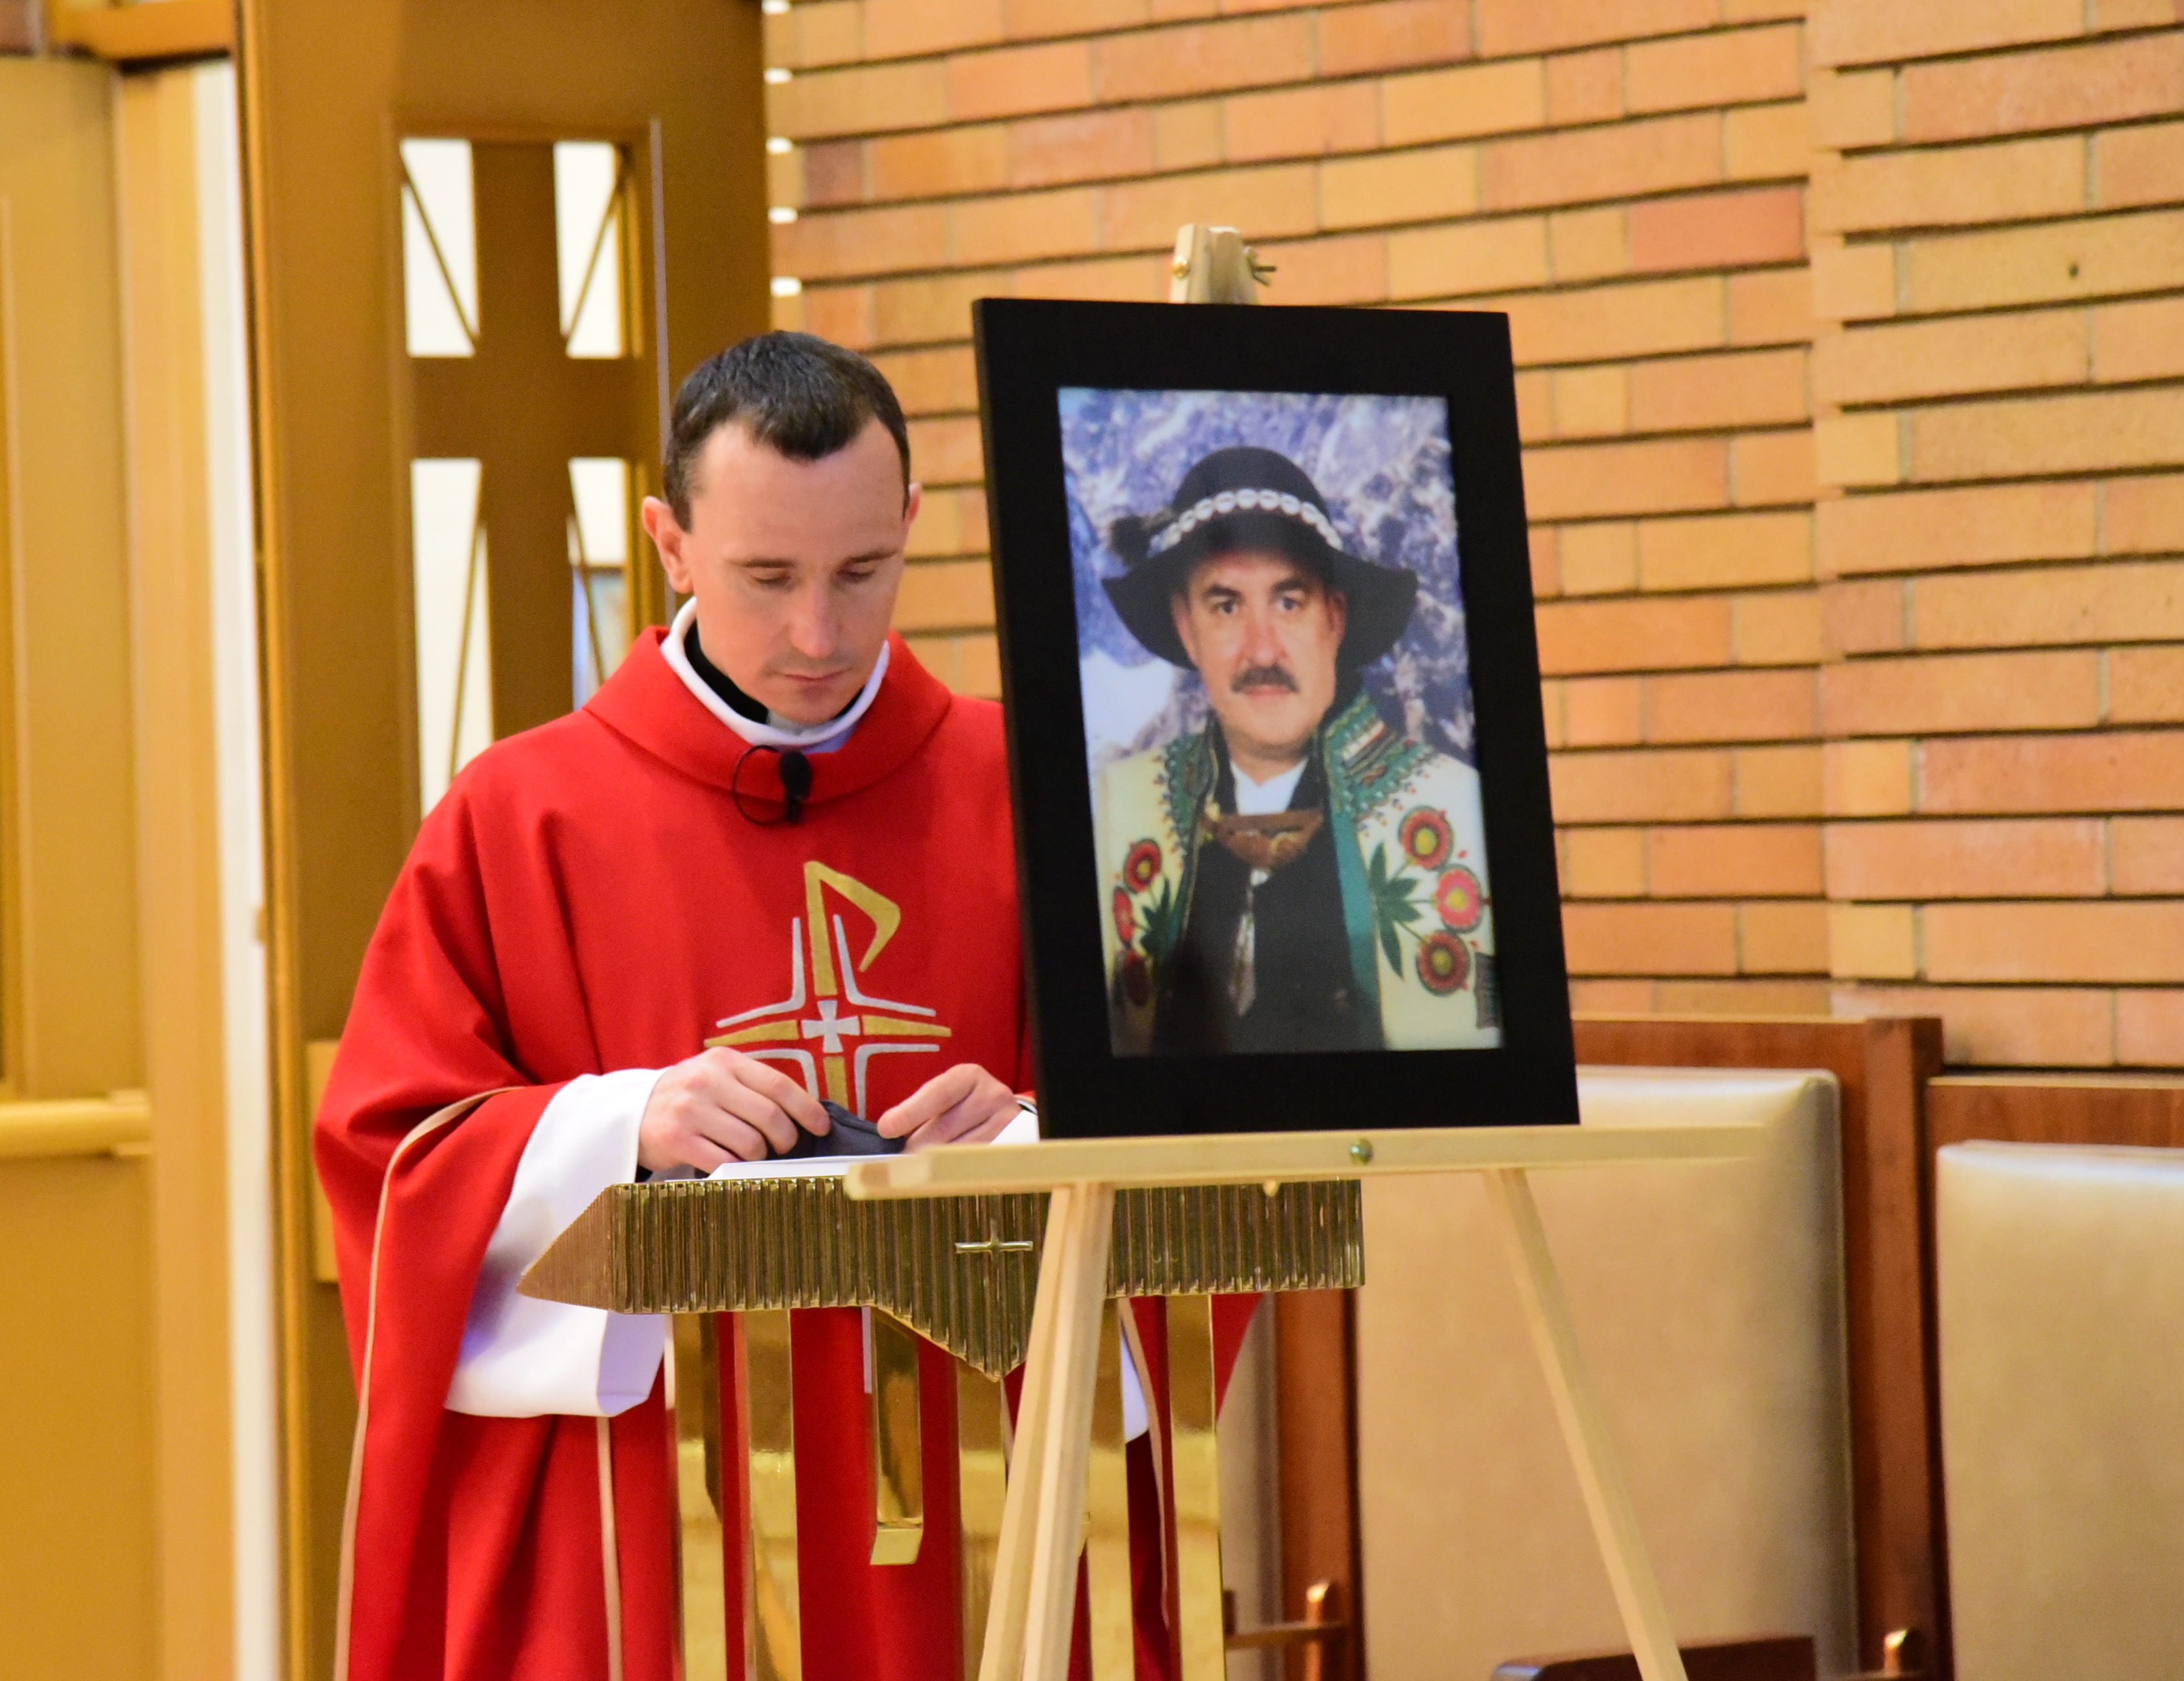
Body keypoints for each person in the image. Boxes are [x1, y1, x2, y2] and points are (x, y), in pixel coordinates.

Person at [317, 333, 1039, 1680]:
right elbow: (389, 1153)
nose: (818, 633)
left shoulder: (1030, 794)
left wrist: (1033, 1134)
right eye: (767, 577)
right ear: (670, 543)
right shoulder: (522, 815)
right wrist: (618, 1125)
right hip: (641, 1523)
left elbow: (1183, 1131)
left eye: (860, 571)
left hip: (966, 1501)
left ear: (909, 522)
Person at [1093, 447, 1500, 1057]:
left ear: (1334, 619)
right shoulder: (1113, 815)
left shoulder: (1460, 811)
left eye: (1289, 602)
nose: (1262, 651)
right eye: (1226, 606)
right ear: (1185, 626)